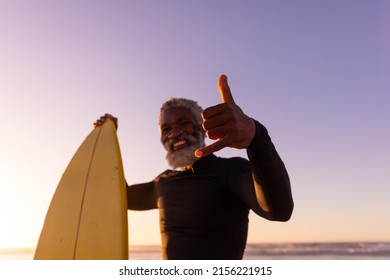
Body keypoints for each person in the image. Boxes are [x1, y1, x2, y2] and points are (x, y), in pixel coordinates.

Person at [95, 75, 293, 260]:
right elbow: (118, 197)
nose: (175, 133)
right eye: (166, 129)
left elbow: (279, 211)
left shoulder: (230, 171)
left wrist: (257, 139)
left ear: (203, 129)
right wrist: (106, 141)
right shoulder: (162, 183)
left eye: (184, 123)